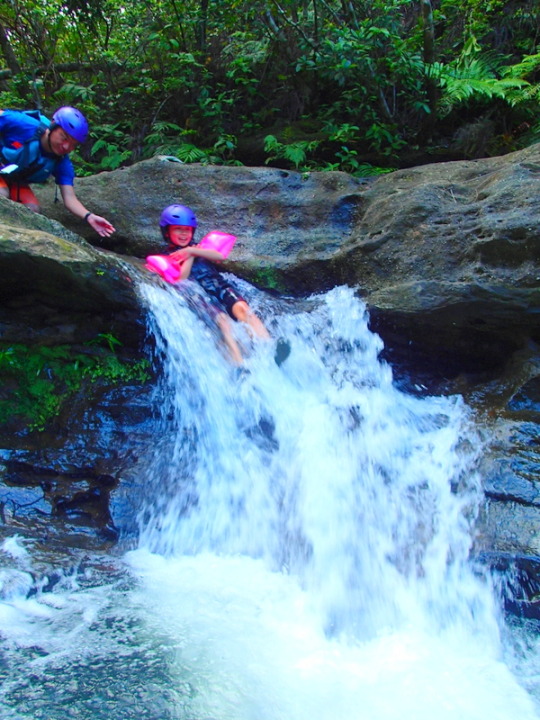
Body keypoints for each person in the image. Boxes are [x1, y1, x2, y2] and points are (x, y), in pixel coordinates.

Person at [159, 203, 271, 365]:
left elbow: (219, 255)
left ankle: (268, 347)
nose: (184, 234)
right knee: (223, 322)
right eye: (178, 229)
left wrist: (192, 251)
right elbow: (181, 279)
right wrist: (188, 257)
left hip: (217, 285)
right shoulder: (168, 256)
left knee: (243, 309)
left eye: (187, 230)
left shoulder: (198, 247)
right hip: (198, 294)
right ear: (167, 232)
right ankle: (240, 365)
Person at [0, 106, 115, 238]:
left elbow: (69, 198)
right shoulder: (24, 124)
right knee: (2, 194)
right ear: (53, 126)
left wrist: (89, 216)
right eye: (64, 137)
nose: (67, 147)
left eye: (73, 144)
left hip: (13, 179)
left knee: (32, 211)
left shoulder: (61, 162)